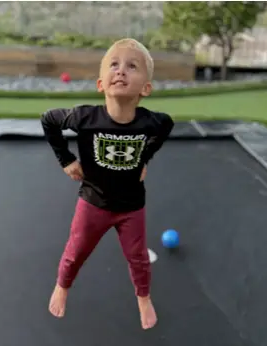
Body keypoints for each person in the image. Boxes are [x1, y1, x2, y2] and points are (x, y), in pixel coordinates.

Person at [40, 38, 174, 330]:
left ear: (145, 89)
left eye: (132, 66)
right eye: (114, 65)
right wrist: (66, 159)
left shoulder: (151, 122)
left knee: (138, 258)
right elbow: (49, 119)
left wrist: (145, 158)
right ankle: (62, 286)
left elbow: (167, 126)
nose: (121, 71)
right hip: (93, 202)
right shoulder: (85, 118)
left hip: (131, 207)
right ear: (101, 83)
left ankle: (143, 297)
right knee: (75, 251)